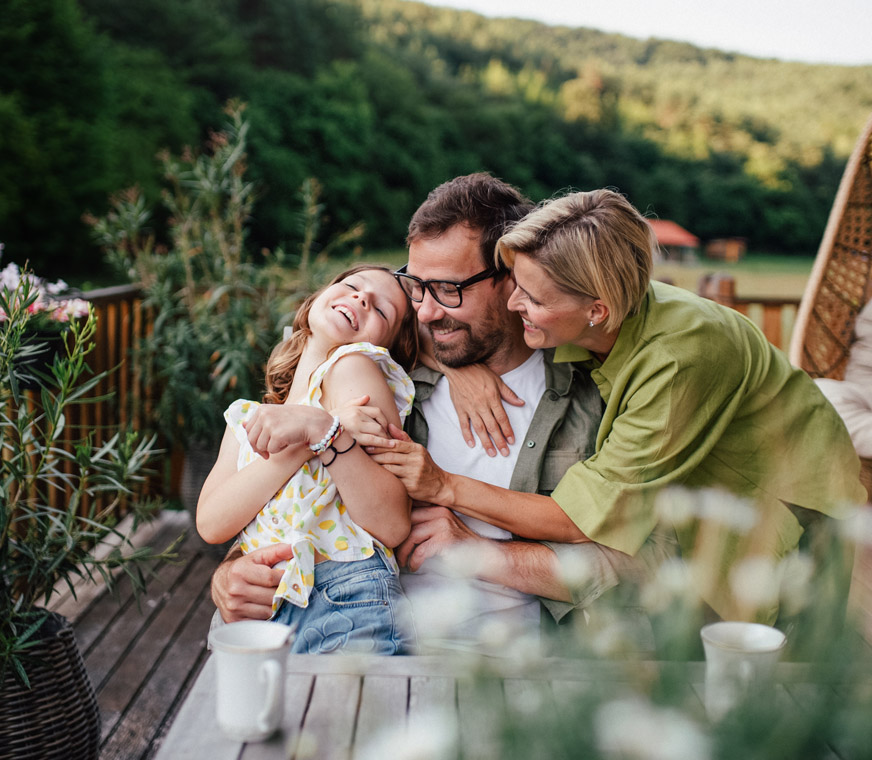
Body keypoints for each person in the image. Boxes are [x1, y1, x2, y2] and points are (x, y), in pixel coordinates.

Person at [210, 175, 638, 650]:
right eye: (416, 287)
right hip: (357, 638)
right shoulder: (386, 377)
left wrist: (480, 551)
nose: (428, 313)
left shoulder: (595, 396)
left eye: (449, 290)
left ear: (511, 278)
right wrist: (232, 572)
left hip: (514, 666)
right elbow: (296, 497)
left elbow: (639, 565)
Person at [414, 187, 864, 624]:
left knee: (774, 651)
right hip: (691, 484)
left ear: (597, 311)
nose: (516, 304)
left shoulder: (678, 357)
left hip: (783, 492)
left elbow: (579, 518)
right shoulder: (572, 307)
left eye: (531, 298)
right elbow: (408, 311)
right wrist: (455, 365)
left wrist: (443, 487)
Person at [196, 265, 420, 654]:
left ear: (389, 344)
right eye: (351, 286)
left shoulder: (352, 367)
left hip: (345, 594)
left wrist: (323, 431)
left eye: (382, 311)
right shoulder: (248, 418)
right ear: (316, 299)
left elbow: (392, 523)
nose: (362, 298)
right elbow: (212, 523)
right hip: (259, 605)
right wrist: (314, 434)